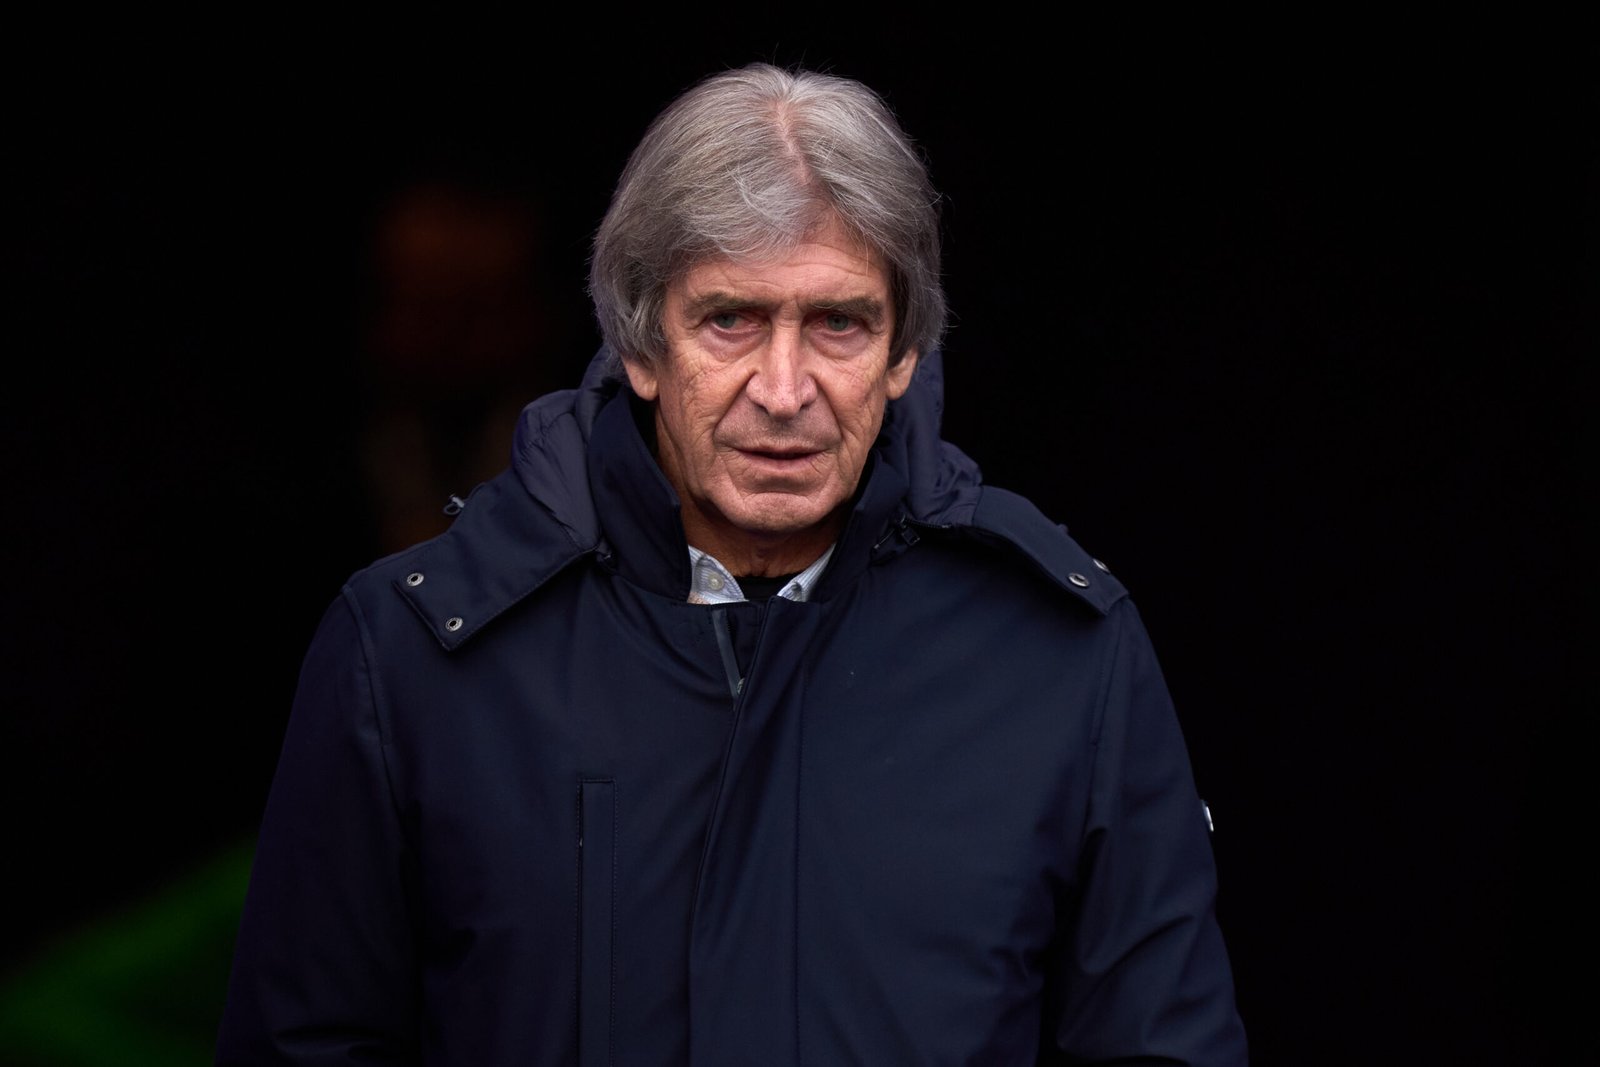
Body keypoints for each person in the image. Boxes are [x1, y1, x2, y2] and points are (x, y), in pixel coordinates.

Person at [216, 62, 1248, 1065]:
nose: (784, 386)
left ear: (903, 356)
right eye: (730, 319)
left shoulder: (1061, 656)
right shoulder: (409, 656)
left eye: (838, 322)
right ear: (641, 341)